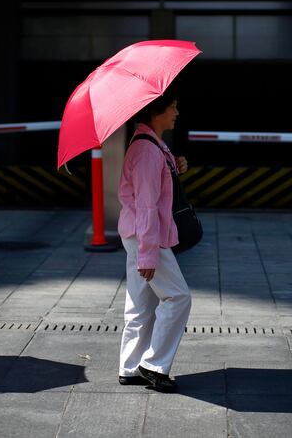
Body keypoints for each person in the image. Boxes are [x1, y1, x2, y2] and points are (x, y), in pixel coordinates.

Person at [117, 91, 192, 393]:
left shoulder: (150, 144)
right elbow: (147, 204)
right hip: (147, 235)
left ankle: (130, 366)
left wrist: (175, 164)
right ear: (156, 111)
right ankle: (154, 365)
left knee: (141, 301)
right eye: (172, 106)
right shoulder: (147, 150)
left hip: (137, 233)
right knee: (178, 297)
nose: (177, 111)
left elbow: (155, 182)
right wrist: (148, 256)